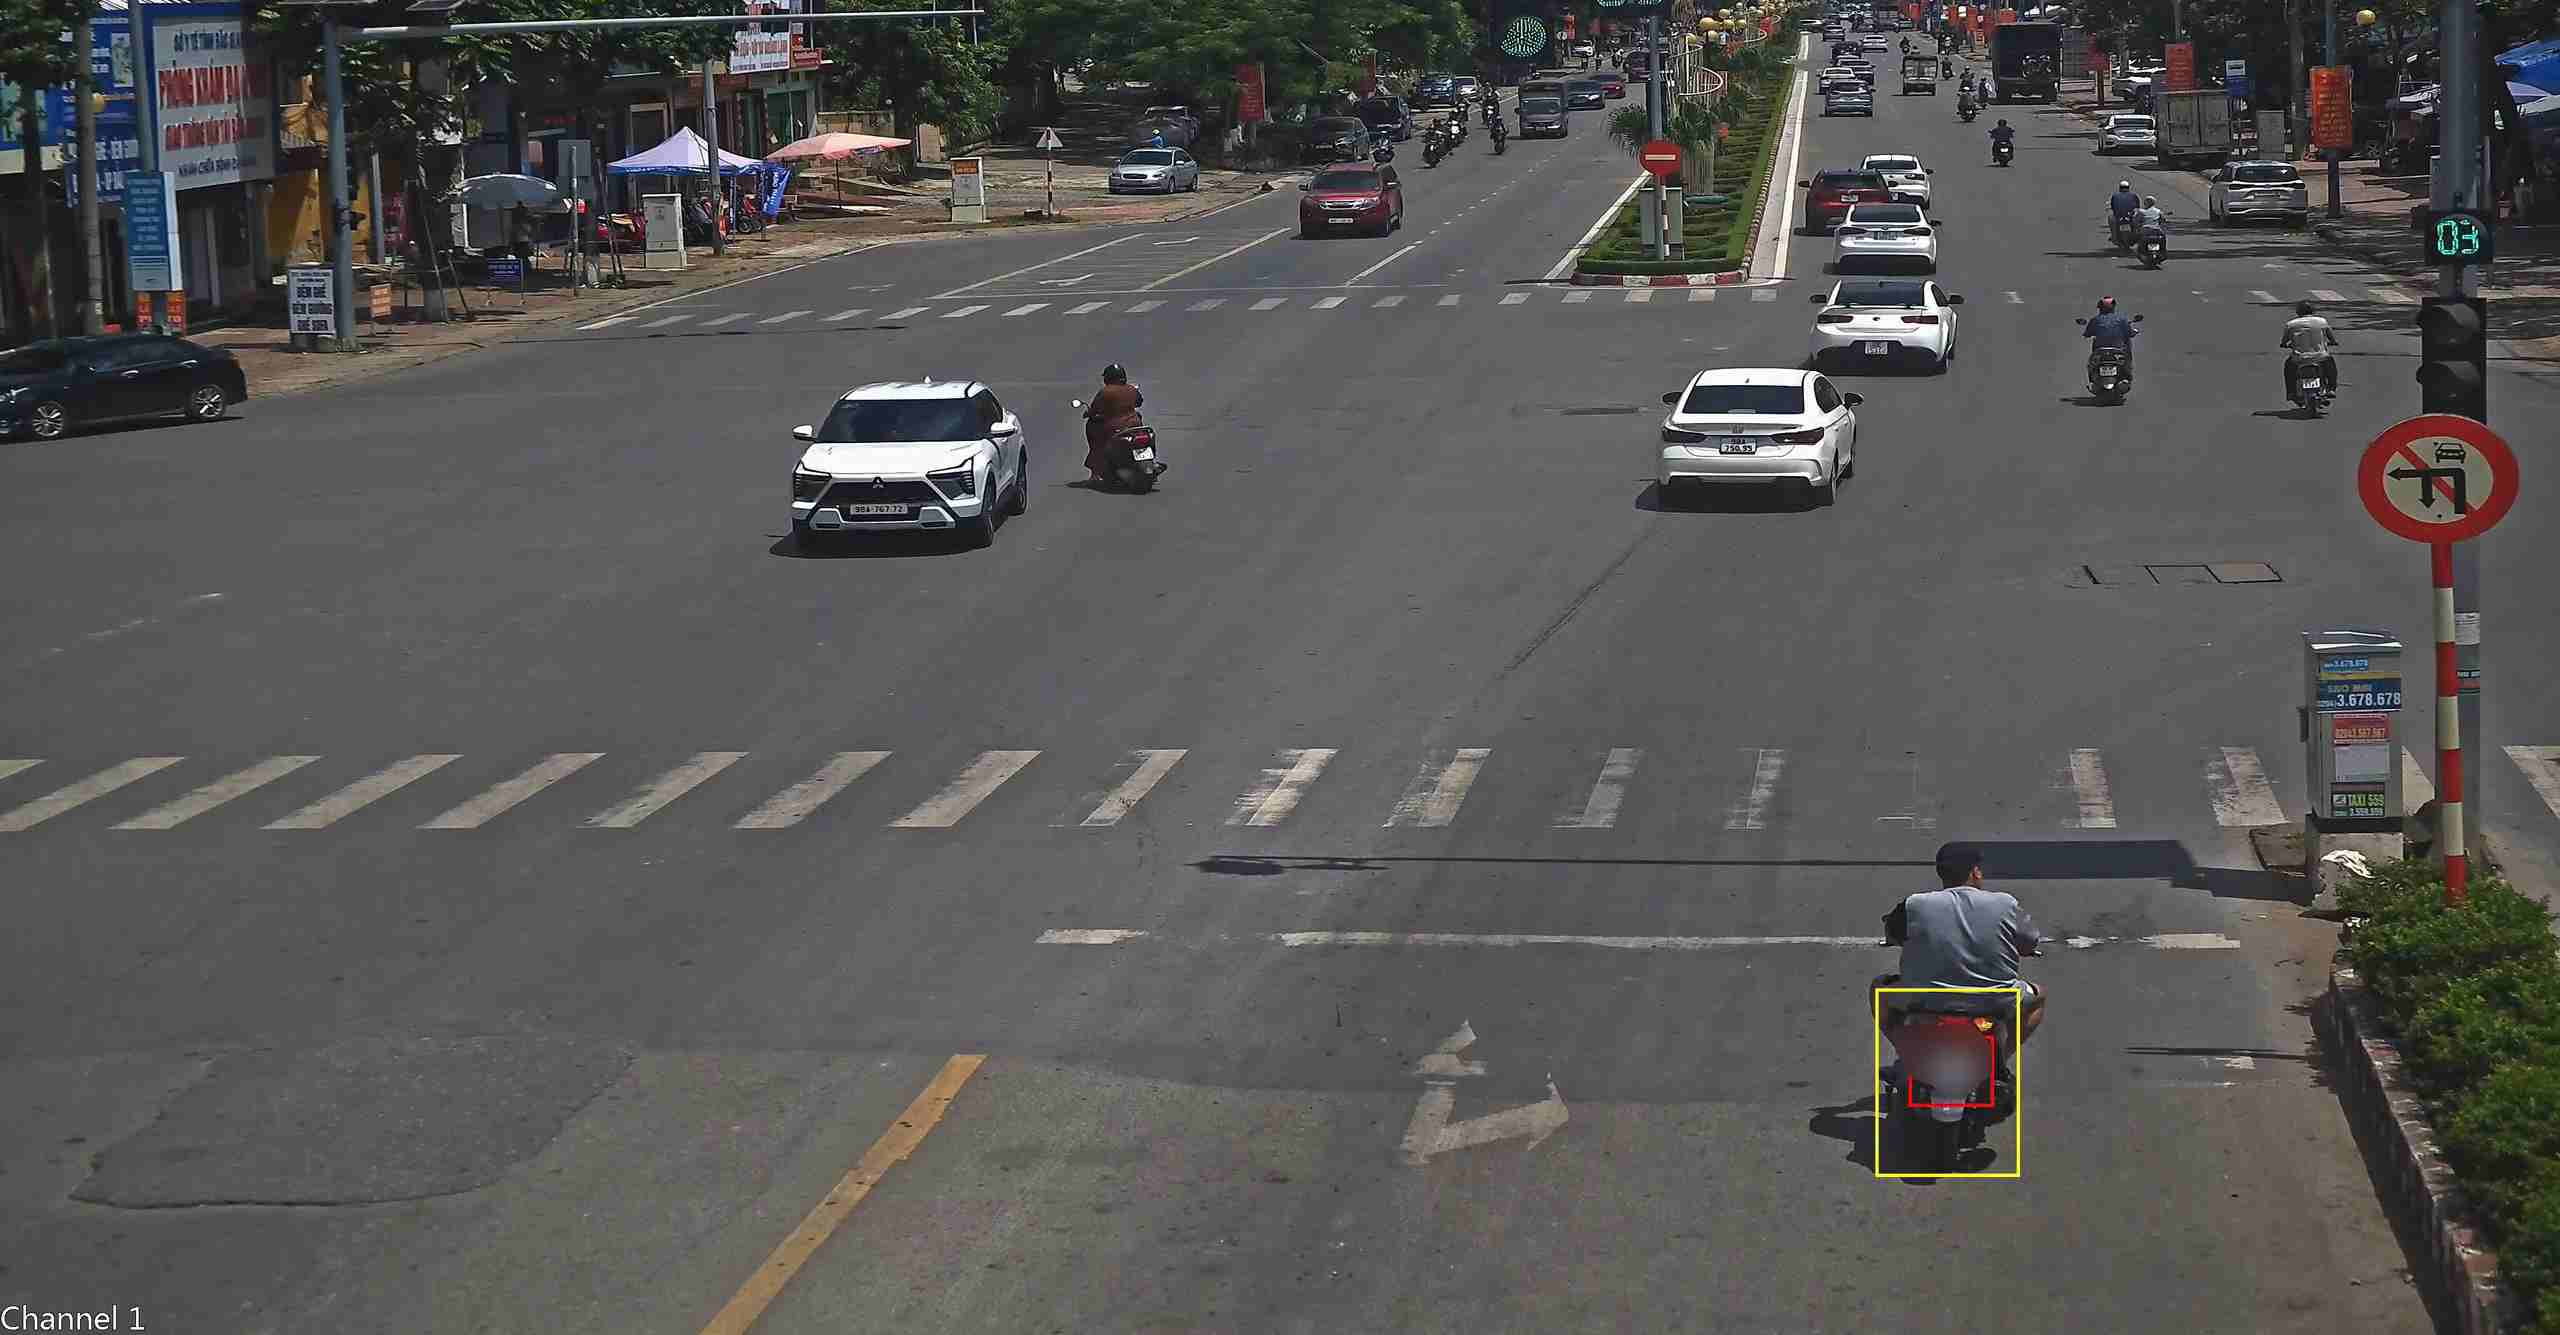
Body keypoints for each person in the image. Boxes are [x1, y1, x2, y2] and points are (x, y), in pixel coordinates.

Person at [1870, 842, 2047, 1121]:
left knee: (1879, 988)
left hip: (1926, 999)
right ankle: (1999, 1060)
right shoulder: (2005, 904)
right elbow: (2028, 940)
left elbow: (1893, 931)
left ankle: (1905, 1054)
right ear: (1975, 872)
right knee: (2038, 997)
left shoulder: (1915, 904)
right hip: (1994, 1000)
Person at [1082, 363, 1144, 484]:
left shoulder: (1106, 392)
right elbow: (1139, 402)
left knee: (1097, 441)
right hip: (1135, 425)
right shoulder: (1132, 388)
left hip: (1114, 426)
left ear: (1108, 378)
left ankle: (1095, 473)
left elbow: (1094, 409)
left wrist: (1088, 413)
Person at [2281, 298, 2341, 398]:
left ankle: (2291, 392)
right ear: (2313, 310)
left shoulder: (2291, 324)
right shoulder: (2322, 321)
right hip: (2320, 357)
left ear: (2298, 311)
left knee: (2288, 367)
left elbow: (2284, 341)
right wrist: (2333, 342)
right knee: (2331, 366)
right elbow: (2330, 336)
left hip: (2299, 358)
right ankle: (2331, 388)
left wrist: (2284, 344)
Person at [2083, 294, 2138, 381]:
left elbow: (2087, 333)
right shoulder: (2122, 319)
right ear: (2113, 307)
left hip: (2100, 350)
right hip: (2118, 348)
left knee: (2092, 362)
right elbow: (2129, 333)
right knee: (2127, 351)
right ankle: (2128, 371)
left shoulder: (2095, 320)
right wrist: (2134, 332)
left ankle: (2093, 376)